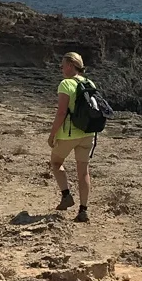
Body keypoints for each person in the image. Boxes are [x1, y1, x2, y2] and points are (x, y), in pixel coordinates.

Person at [48, 51, 94, 222]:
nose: (61, 68)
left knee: (56, 162)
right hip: (88, 132)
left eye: (62, 65)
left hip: (68, 134)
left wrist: (52, 134)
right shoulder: (89, 82)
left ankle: (66, 195)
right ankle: (83, 210)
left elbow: (61, 112)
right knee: (83, 172)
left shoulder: (66, 84)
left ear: (69, 65)